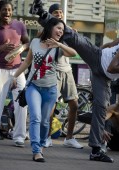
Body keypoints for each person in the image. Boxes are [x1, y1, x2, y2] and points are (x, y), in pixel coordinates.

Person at [30, 0, 119, 163]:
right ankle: (40, 12)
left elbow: (111, 69)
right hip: (97, 56)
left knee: (101, 108)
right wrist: (92, 52)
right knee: (75, 37)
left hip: (104, 76)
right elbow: (109, 45)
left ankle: (96, 149)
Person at [11, 17, 77, 162]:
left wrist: (59, 44)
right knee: (36, 117)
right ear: (50, 28)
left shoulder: (59, 47)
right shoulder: (35, 42)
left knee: (45, 122)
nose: (61, 31)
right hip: (33, 86)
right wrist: (14, 76)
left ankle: (40, 145)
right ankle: (36, 150)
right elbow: (27, 61)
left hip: (51, 89)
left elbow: (73, 53)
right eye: (58, 28)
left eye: (62, 30)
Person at [0, 0, 29, 147]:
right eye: (4, 10)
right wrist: (2, 48)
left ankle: (19, 137)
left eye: (9, 10)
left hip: (18, 69)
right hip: (1, 70)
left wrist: (19, 50)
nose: (7, 13)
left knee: (22, 103)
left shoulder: (19, 25)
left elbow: (27, 43)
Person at [44, 3, 82, 149]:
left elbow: (74, 50)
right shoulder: (47, 31)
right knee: (51, 106)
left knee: (74, 105)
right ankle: (47, 137)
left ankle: (69, 138)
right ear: (50, 15)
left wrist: (73, 34)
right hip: (53, 72)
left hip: (68, 71)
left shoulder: (68, 31)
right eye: (55, 13)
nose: (59, 14)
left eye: (60, 12)